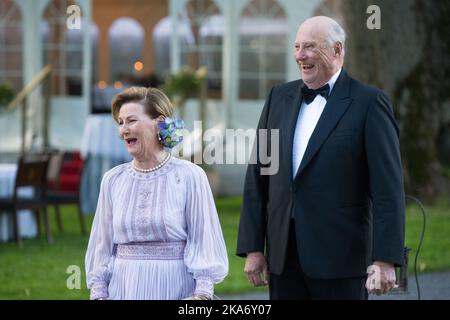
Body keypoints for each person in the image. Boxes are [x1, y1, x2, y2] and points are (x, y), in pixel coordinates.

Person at [236, 16, 405, 300]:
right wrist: (253, 248)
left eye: (310, 47)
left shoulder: (369, 103)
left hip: (342, 261)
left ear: (337, 50)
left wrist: (386, 259)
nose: (300, 55)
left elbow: (388, 190)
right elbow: (258, 176)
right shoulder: (278, 97)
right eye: (297, 46)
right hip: (283, 260)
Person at [85, 87, 228, 300]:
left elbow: (203, 240)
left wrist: (201, 296)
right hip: (123, 291)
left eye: (131, 120)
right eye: (121, 122)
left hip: (177, 291)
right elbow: (102, 246)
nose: (123, 129)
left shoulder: (190, 176)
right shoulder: (113, 180)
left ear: (158, 122)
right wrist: (98, 294)